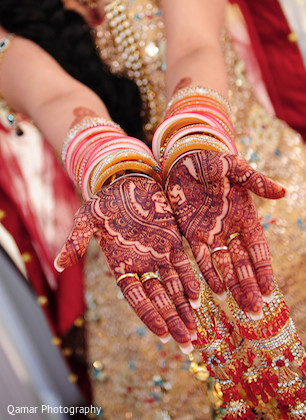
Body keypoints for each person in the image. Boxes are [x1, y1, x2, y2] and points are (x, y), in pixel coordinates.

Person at [0, 0, 305, 419]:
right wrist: (115, 175)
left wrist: (195, 140)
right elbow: (53, 95)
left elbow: (195, 45)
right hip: (137, 255)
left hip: (259, 203)